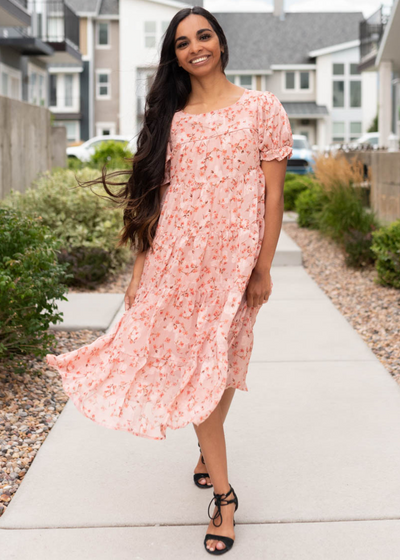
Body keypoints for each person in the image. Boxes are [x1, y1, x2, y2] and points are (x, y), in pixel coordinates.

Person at [46, 6, 293, 555]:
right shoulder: (171, 118)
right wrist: (140, 267)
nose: (195, 47)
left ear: (221, 43)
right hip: (175, 265)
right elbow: (154, 200)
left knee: (224, 362)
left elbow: (274, 197)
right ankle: (226, 499)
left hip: (232, 265)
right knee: (197, 372)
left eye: (204, 36)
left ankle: (207, 451)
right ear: (175, 56)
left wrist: (263, 266)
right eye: (183, 42)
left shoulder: (262, 108)